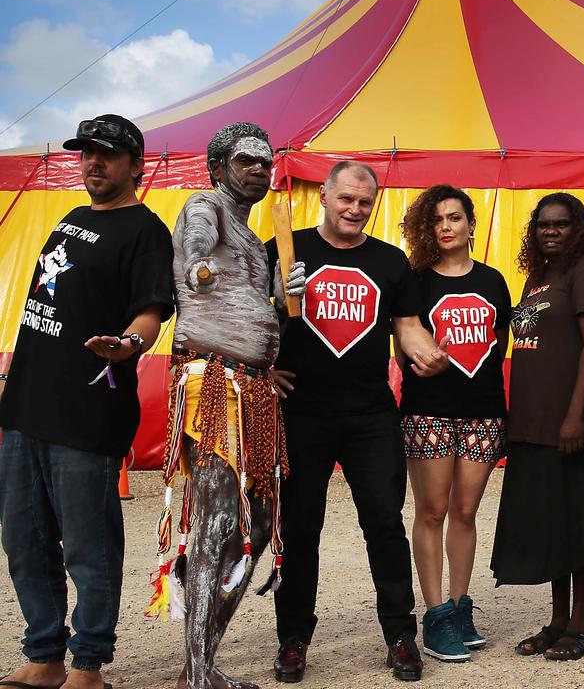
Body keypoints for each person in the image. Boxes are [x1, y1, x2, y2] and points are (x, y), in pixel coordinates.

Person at [0, 115, 174, 689]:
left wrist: (129, 344)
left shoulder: (145, 230)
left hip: (88, 411)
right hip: (27, 406)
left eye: (108, 154)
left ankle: (88, 665)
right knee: (24, 541)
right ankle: (44, 655)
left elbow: (152, 310)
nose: (93, 163)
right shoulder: (70, 219)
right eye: (86, 154)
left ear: (135, 164)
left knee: (88, 547)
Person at [268, 161, 447, 684]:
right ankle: (294, 639)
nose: (354, 210)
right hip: (302, 412)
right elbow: (253, 313)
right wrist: (262, 364)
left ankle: (399, 637)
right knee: (300, 529)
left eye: (365, 202)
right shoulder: (284, 248)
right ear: (323, 195)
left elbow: (408, 329)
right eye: (345, 198)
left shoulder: (389, 261)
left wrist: (429, 355)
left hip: (371, 413)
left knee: (385, 528)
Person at [164, 121, 303, 689]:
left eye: (265, 164)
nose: (258, 171)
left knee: (261, 521)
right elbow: (196, 252)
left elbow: (260, 304)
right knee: (218, 521)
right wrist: (197, 265)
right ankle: (198, 675)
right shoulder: (206, 208)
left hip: (257, 387)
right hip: (214, 382)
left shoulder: (253, 238)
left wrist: (281, 293)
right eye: (247, 161)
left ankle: (201, 663)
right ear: (217, 167)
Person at [491, 192, 584, 662]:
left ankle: (580, 625)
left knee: (578, 525)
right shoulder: (539, 278)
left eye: (561, 224)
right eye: (543, 224)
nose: (550, 231)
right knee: (551, 526)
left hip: (571, 426)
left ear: (578, 228)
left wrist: (574, 416)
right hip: (533, 423)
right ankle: (558, 620)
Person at [399, 185, 511, 663]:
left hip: (484, 411)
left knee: (466, 512)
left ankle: (461, 606)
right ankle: (435, 613)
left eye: (454, 218)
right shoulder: (416, 281)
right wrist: (423, 359)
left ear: (471, 224)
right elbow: (404, 338)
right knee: (431, 511)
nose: (446, 227)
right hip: (429, 409)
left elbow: (499, 343)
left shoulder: (494, 281)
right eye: (437, 220)